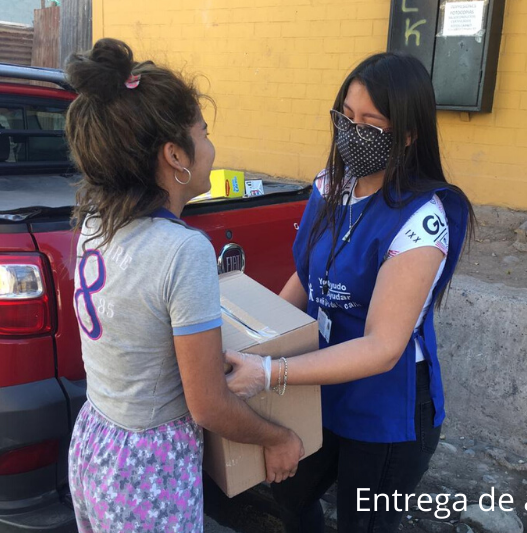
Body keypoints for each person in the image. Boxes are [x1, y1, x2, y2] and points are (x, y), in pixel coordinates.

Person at [225, 52, 474, 533]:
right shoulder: (332, 185)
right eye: (346, 116)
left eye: (370, 123)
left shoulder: (421, 219)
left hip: (384, 412)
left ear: (407, 133)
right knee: (280, 501)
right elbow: (305, 278)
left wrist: (271, 370)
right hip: (320, 388)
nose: (352, 132)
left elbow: (383, 348)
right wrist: (258, 342)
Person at [64, 38, 303, 533]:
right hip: (147, 471)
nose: (212, 148)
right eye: (205, 132)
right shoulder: (182, 250)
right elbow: (208, 404)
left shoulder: (96, 222)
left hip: (95, 444)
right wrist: (279, 438)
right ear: (176, 155)